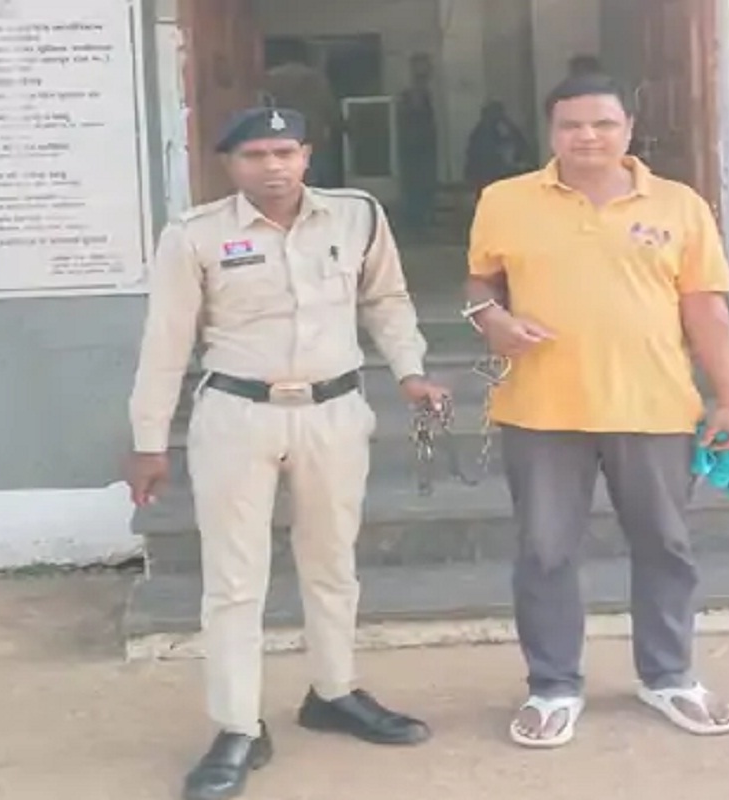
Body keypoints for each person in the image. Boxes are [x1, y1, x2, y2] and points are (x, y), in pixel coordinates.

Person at [126, 106, 449, 800]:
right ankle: (238, 726)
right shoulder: (195, 235)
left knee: (332, 563)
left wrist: (411, 371)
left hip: (333, 411)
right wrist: (149, 441)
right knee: (234, 580)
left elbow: (387, 300)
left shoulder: (356, 217)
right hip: (238, 415)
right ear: (230, 165)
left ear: (307, 154)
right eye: (255, 156)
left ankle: (334, 691)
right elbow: (166, 341)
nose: (272, 167)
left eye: (284, 152)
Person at [463, 72, 729, 748]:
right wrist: (491, 319)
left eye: (603, 124)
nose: (587, 137)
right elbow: (480, 282)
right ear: (551, 131)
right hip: (540, 408)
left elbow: (706, 308)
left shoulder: (680, 205)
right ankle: (553, 686)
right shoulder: (505, 200)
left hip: (654, 405)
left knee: (665, 546)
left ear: (629, 129)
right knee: (544, 552)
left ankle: (669, 675)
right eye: (571, 125)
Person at [264, 38, 343, 188]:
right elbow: (328, 105)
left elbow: (263, 105)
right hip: (312, 133)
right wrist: (340, 125)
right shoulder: (313, 79)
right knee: (313, 175)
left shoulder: (270, 78)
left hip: (280, 133)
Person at [397, 53, 439, 233]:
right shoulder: (413, 94)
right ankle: (416, 221)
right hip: (416, 147)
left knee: (423, 184)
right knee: (417, 184)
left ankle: (420, 219)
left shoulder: (423, 93)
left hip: (422, 145)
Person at [464, 100, 534, 199]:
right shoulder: (481, 133)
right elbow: (482, 158)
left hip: (502, 178)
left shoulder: (503, 129)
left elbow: (520, 145)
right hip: (488, 177)